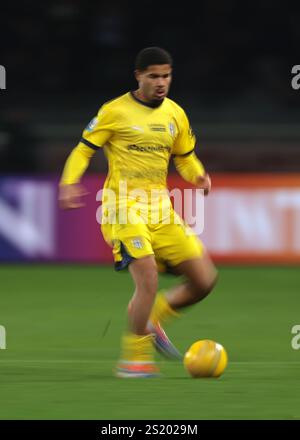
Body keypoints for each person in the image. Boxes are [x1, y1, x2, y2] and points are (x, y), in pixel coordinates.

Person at [59, 47, 217, 378]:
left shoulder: (175, 114)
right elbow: (83, 150)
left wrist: (198, 175)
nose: (161, 83)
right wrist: (69, 182)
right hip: (122, 207)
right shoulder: (114, 111)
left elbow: (185, 157)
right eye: (154, 76)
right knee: (147, 275)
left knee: (204, 279)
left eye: (166, 76)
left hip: (160, 209)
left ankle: (153, 317)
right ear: (139, 76)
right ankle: (134, 359)